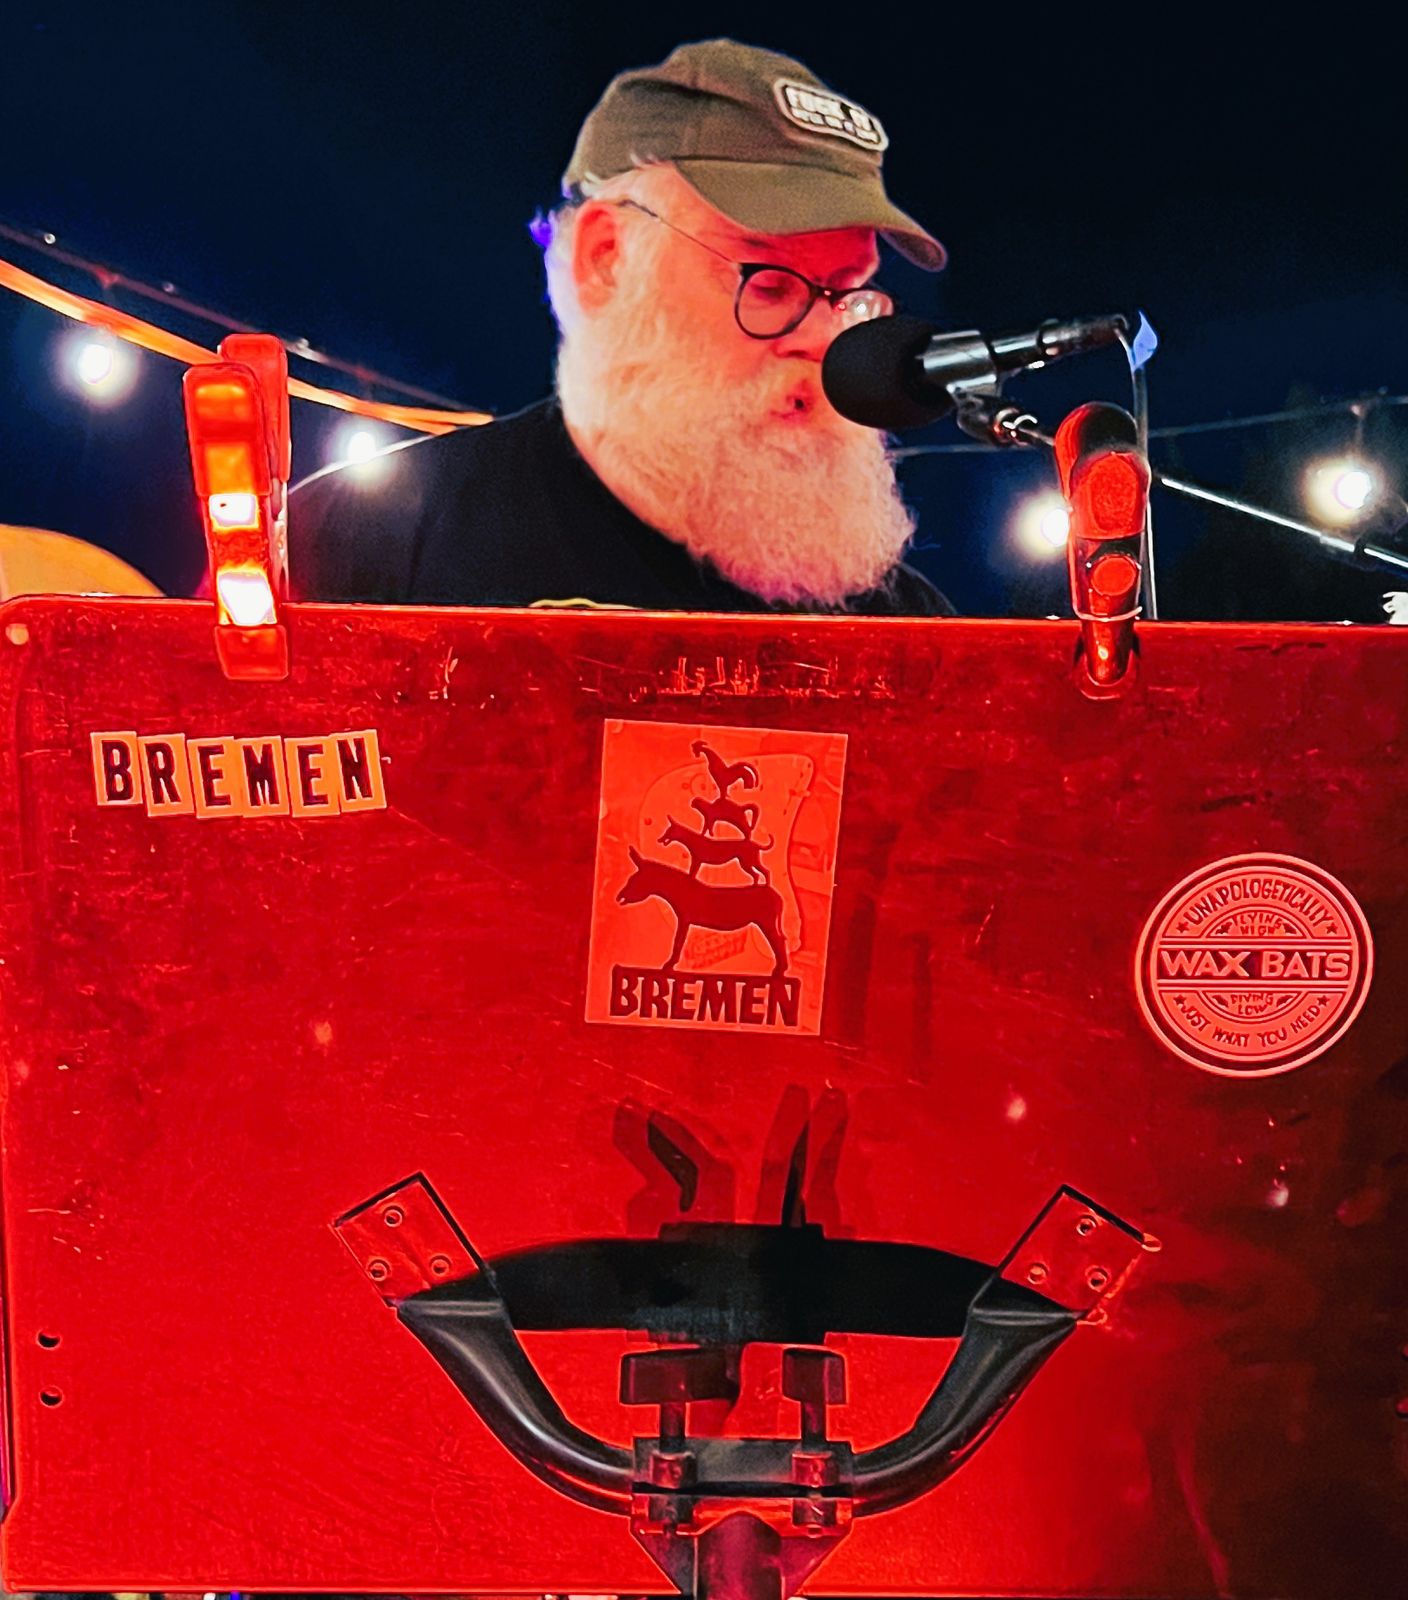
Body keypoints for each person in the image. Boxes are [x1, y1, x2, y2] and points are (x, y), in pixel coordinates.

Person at [291, 39, 956, 616]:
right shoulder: (362, 550)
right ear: (606, 259)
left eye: (845, 294)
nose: (821, 341)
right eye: (770, 282)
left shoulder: (919, 634)